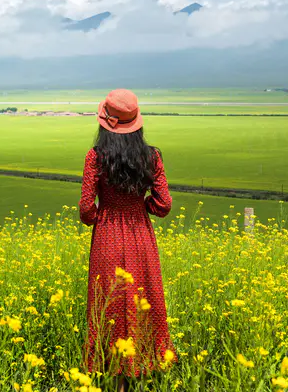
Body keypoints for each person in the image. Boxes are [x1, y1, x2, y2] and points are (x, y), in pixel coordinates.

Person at [79, 89, 178, 392]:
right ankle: (143, 369)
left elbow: (85, 208)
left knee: (109, 302)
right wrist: (140, 207)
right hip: (140, 237)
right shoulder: (152, 156)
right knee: (143, 299)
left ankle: (115, 377)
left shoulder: (95, 157)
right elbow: (164, 205)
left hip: (107, 236)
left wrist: (103, 215)